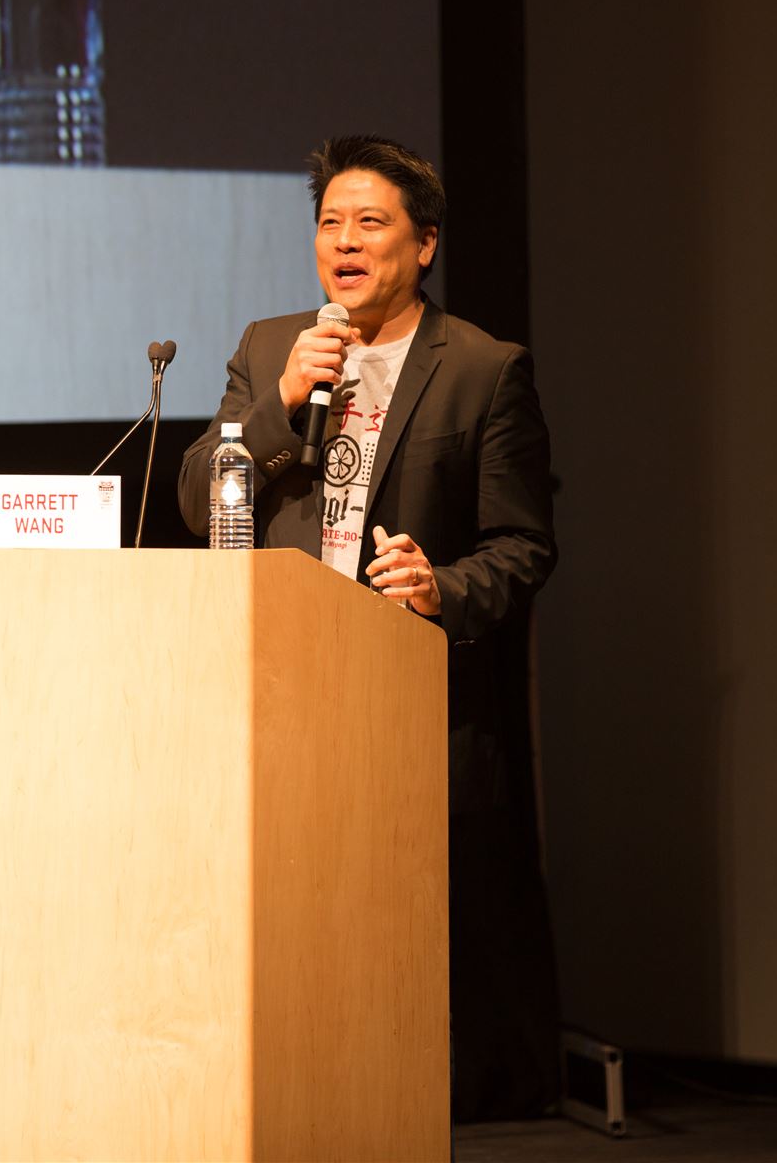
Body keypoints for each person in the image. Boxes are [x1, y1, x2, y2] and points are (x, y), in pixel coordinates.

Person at [177, 135, 561, 1120]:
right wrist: (279, 406)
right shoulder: (271, 348)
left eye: (370, 222)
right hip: (280, 687)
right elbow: (195, 497)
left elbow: (521, 545)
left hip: (408, 702)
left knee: (400, 930)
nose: (343, 241)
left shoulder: (481, 368)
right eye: (329, 222)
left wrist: (443, 586)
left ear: (424, 244)